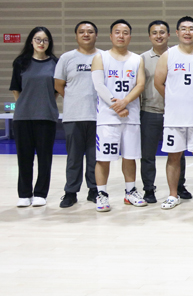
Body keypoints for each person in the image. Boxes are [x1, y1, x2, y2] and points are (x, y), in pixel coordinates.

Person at [154, 16, 193, 209]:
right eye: (183, 28)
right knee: (173, 157)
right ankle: (173, 195)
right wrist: (175, 99)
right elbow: (158, 83)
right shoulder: (168, 55)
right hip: (174, 118)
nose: (187, 32)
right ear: (177, 33)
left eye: (191, 29)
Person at [92, 20, 147, 212]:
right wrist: (116, 106)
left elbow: (140, 84)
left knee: (130, 157)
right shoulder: (100, 57)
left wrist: (125, 102)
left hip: (130, 116)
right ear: (111, 36)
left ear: (130, 36)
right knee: (103, 158)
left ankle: (130, 191)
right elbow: (99, 85)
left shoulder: (137, 59)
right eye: (117, 32)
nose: (121, 35)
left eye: (125, 32)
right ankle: (101, 194)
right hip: (107, 118)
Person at [140, 21, 190, 204]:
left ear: (169, 35)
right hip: (150, 111)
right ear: (149, 36)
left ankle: (180, 186)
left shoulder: (178, 55)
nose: (158, 36)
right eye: (154, 33)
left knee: (178, 153)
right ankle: (148, 189)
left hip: (175, 113)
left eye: (162, 32)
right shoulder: (142, 59)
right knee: (148, 155)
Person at [11, 27, 58, 207]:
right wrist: (26, 105)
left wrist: (44, 103)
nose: (41, 43)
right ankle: (24, 194)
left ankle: (40, 193)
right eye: (38, 39)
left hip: (46, 116)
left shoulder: (55, 63)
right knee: (24, 158)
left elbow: (56, 90)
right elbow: (16, 89)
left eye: (45, 40)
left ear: (49, 42)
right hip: (23, 117)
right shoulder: (20, 62)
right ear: (31, 41)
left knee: (44, 158)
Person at [55, 21, 100, 208]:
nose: (86, 34)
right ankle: (70, 192)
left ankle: (94, 190)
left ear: (96, 35)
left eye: (90, 31)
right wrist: (75, 99)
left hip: (98, 117)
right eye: (82, 32)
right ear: (76, 36)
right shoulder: (67, 58)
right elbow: (59, 85)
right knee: (74, 158)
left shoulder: (103, 57)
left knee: (95, 158)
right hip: (73, 116)